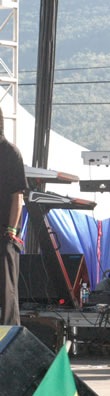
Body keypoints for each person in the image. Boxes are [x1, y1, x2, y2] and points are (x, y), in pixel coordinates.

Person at [0, 107, 27, 326]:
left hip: (4, 234)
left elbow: (17, 196)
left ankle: (9, 341)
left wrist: (11, 231)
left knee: (7, 293)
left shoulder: (9, 152)